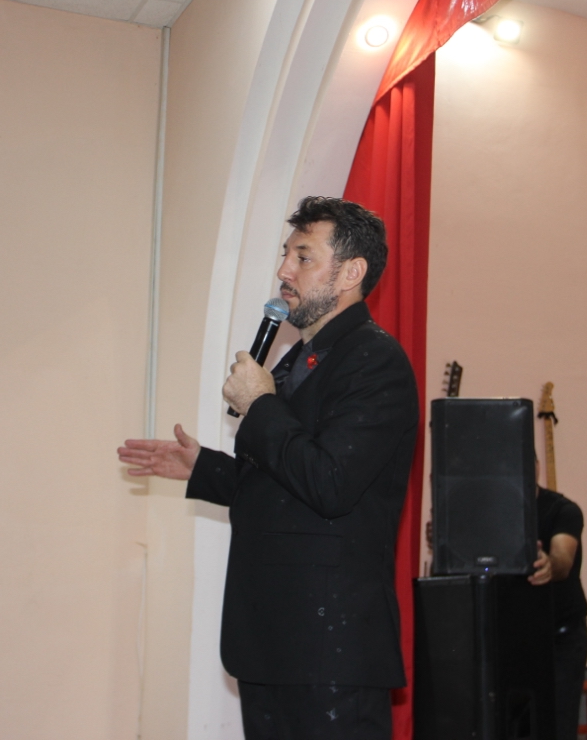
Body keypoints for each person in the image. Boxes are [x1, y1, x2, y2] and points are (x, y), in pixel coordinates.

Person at [119, 196, 419, 740]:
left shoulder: (376, 361)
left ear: (351, 273)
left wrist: (260, 405)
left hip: (330, 649)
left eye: (303, 257)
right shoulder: (297, 360)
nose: (284, 270)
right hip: (273, 639)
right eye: (286, 255)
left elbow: (331, 484)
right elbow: (286, 485)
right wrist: (203, 467)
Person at [528, 483, 587, 740]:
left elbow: (563, 558)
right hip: (515, 639)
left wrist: (550, 565)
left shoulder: (564, 510)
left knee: (558, 728)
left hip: (561, 640)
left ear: (535, 467)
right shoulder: (493, 508)